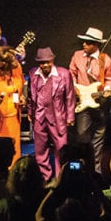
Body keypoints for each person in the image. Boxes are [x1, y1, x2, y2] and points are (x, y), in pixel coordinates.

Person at [69, 27, 111, 173]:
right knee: (82, 134)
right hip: (82, 102)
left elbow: (109, 79)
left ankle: (97, 170)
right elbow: (71, 74)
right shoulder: (77, 56)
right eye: (84, 41)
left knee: (99, 134)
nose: (84, 44)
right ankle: (82, 166)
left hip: (99, 102)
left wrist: (107, 89)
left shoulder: (106, 60)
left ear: (96, 44)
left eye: (88, 42)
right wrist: (75, 88)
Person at [28, 47, 76, 182]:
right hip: (39, 116)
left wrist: (70, 116)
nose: (45, 65)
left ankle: (61, 177)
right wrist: (30, 112)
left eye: (47, 62)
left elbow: (70, 96)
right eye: (42, 63)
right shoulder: (33, 74)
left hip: (57, 117)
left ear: (52, 60)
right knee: (40, 150)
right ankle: (45, 177)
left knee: (61, 148)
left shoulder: (63, 74)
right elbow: (31, 96)